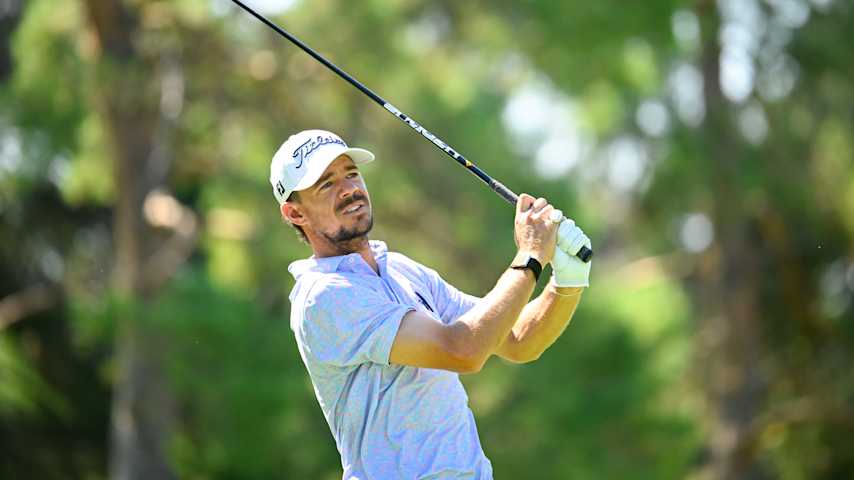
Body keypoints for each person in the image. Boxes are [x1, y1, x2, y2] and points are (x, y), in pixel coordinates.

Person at [270, 129, 592, 479]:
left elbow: (516, 339)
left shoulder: (401, 269)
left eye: (351, 173)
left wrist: (567, 281)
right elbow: (462, 351)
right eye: (326, 184)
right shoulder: (324, 296)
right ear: (295, 213)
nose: (349, 189)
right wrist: (530, 256)